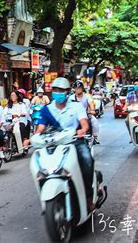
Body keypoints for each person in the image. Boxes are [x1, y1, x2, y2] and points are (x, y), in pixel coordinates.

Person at [34, 77, 94, 210]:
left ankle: (88, 198)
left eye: (61, 90)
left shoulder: (76, 106)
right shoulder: (46, 109)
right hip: (54, 144)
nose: (58, 93)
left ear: (67, 92)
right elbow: (40, 128)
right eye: (55, 90)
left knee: (87, 160)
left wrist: (82, 130)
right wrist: (34, 137)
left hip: (75, 142)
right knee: (40, 164)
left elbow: (84, 124)